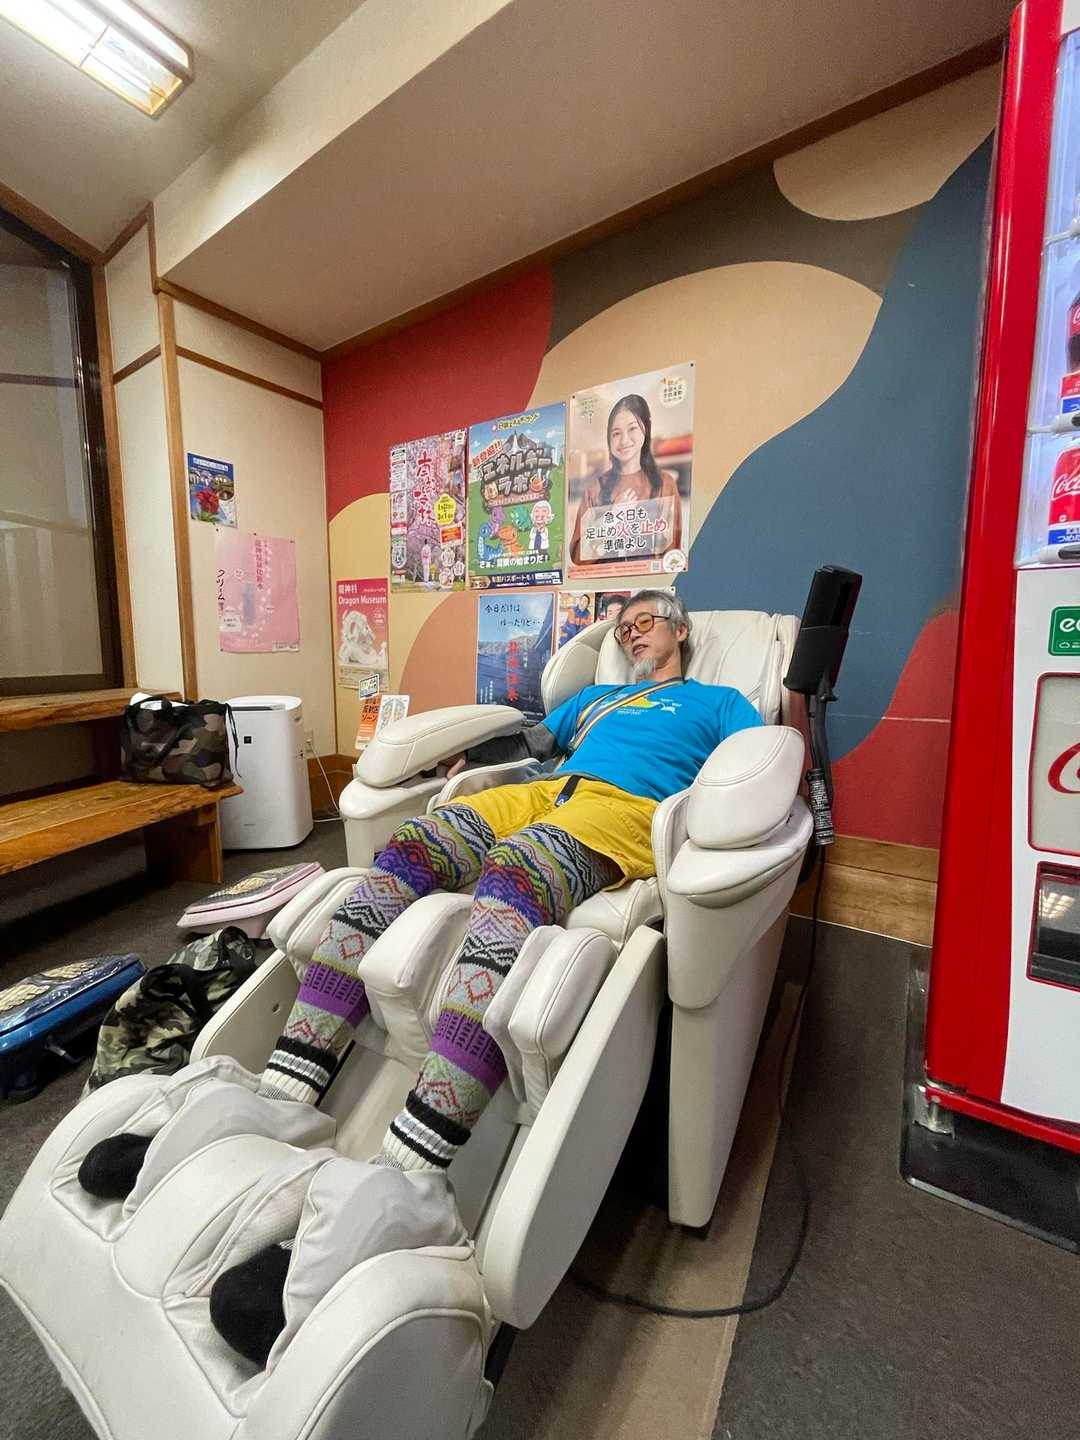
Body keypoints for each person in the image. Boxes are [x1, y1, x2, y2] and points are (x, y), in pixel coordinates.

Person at [78, 590, 761, 1365]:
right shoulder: (596, 699)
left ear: (680, 630)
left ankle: (413, 1170)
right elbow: (530, 738)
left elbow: (752, 764)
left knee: (517, 869)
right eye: (624, 624)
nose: (633, 633)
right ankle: (284, 1094)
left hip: (625, 810)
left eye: (648, 621)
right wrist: (466, 760)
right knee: (411, 845)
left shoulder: (713, 702)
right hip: (543, 790)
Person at [568, 394, 683, 566]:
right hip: (603, 583)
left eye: (632, 429)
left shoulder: (665, 483)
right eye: (616, 433)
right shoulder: (595, 487)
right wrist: (614, 516)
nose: (624, 440)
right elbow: (578, 557)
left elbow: (671, 558)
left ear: (646, 428)